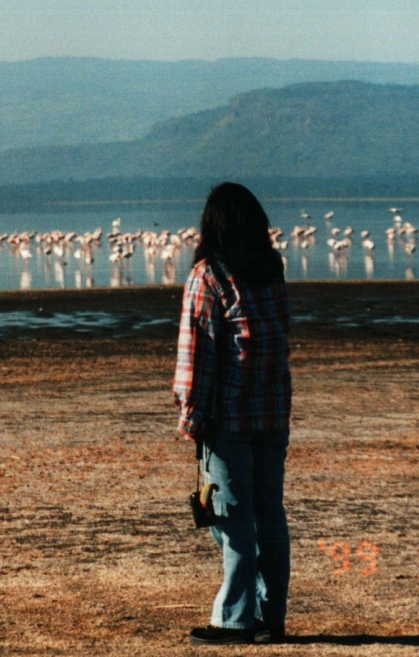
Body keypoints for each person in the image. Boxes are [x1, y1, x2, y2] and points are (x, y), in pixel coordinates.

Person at [173, 182, 291, 645]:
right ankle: (270, 616)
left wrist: (191, 417)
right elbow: (278, 342)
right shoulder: (271, 271)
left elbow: (197, 355)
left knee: (231, 518)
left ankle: (236, 620)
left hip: (229, 417)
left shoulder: (209, 276)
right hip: (272, 412)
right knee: (269, 513)